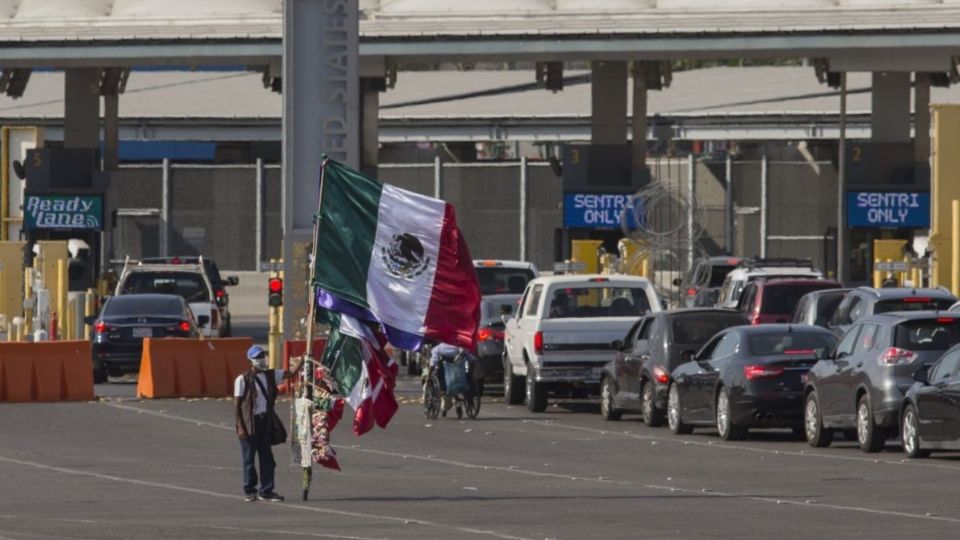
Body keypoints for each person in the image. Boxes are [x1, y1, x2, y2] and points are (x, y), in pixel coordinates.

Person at [234, 345, 302, 503]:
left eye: (263, 357)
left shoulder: (272, 375)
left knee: (267, 459)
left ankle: (266, 491)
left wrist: (302, 360)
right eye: (258, 358)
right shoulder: (242, 379)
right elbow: (237, 407)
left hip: (265, 422)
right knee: (249, 460)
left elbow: (291, 373)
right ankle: (249, 490)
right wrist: (241, 428)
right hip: (249, 423)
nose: (262, 361)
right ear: (250, 360)